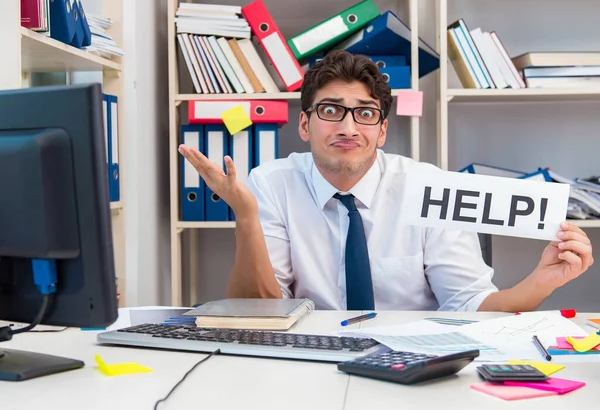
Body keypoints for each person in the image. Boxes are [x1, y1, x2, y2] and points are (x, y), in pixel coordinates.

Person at [178, 50, 594, 312]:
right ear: (304, 125)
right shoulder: (269, 183)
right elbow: (260, 314)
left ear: (381, 130)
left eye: (364, 113)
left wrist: (541, 283)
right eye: (330, 111)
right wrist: (246, 215)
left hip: (416, 363)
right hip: (308, 362)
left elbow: (472, 305)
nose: (347, 127)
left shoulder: (430, 185)